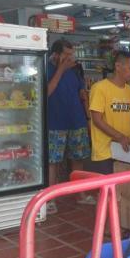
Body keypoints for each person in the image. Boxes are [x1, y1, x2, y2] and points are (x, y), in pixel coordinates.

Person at [46, 39, 91, 213]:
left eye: (71, 55)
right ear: (55, 54)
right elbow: (46, 92)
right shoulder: (46, 68)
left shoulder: (75, 70)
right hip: (55, 123)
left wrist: (88, 118)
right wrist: (61, 69)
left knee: (78, 159)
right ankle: (50, 200)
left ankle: (80, 194)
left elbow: (82, 94)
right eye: (66, 54)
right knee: (53, 162)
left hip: (77, 121)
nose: (70, 58)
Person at [88, 51, 130, 175]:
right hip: (105, 152)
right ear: (118, 66)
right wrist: (120, 137)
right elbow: (97, 120)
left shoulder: (129, 90)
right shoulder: (99, 88)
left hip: (125, 149)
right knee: (107, 186)